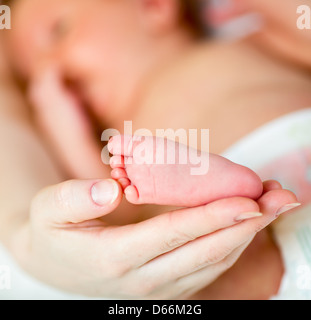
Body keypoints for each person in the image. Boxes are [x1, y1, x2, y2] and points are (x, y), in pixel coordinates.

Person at [0, 0, 308, 299]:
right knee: (194, 260)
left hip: (291, 145)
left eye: (58, 31)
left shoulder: (245, 45)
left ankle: (218, 194)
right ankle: (215, 196)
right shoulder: (118, 144)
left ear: (154, 5)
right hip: (249, 257)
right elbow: (112, 209)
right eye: (31, 78)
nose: (50, 74)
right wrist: (69, 136)